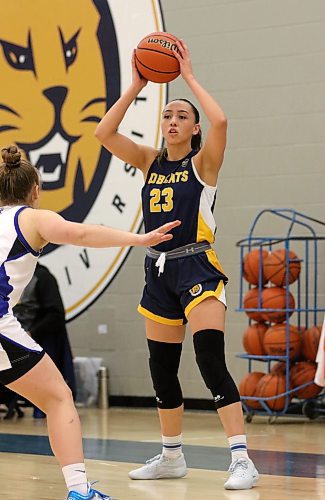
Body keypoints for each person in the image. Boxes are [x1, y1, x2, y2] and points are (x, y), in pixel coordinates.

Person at [95, 39, 259, 490]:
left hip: (199, 268)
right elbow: (103, 134)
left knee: (209, 360)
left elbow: (222, 119)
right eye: (167, 115)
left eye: (181, 116)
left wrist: (187, 76)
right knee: (161, 368)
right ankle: (171, 456)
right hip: (159, 271)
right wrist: (136, 86)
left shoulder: (204, 164)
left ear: (194, 129)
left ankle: (242, 458)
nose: (172, 121)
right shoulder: (149, 162)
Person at [0, 145, 180, 500]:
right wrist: (139, 238)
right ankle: (80, 491)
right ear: (35, 189)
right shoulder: (33, 219)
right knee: (59, 399)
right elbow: (82, 234)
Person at [13, 262, 76, 418]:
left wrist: (32, 332)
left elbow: (56, 314)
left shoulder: (43, 277)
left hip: (40, 339)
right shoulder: (10, 275)